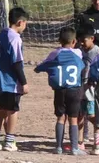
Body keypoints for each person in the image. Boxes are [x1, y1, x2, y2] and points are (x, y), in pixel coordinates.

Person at [35, 27, 87, 155]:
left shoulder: (55, 54)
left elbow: (42, 66)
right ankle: (75, 148)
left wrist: (40, 69)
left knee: (60, 117)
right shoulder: (78, 53)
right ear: (74, 41)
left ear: (59, 40)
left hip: (60, 91)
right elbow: (83, 66)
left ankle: (58, 147)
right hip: (75, 90)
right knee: (73, 119)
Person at [0, 7, 30, 151]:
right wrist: (23, 82)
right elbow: (17, 62)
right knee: (13, 111)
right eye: (25, 23)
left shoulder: (3, 34)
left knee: (2, 111)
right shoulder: (15, 38)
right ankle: (9, 141)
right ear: (20, 22)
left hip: (0, 80)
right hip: (11, 82)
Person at [77, 26, 99, 152]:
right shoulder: (80, 51)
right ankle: (80, 142)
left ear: (92, 38)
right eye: (79, 40)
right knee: (79, 115)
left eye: (84, 40)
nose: (81, 43)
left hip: (91, 89)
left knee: (91, 115)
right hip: (80, 87)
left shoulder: (98, 52)